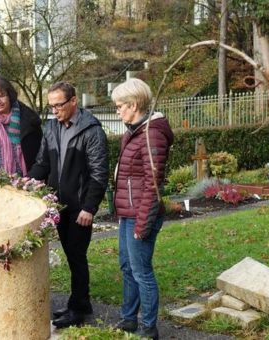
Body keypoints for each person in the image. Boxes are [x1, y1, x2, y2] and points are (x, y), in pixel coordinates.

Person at [28, 81, 109, 328]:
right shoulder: (51, 128)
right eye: (51, 106)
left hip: (79, 208)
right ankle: (79, 303)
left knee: (76, 256)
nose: (54, 110)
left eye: (59, 105)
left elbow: (99, 172)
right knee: (71, 254)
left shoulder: (91, 131)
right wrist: (25, 184)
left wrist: (89, 207)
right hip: (59, 206)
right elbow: (43, 163)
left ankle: (78, 309)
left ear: (73, 101)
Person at [111, 78, 174, 339]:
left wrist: (142, 224)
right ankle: (129, 319)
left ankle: (149, 328)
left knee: (142, 272)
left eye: (119, 106)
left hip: (141, 214)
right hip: (128, 212)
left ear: (134, 105)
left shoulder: (152, 134)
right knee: (127, 267)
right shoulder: (134, 131)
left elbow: (152, 185)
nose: (117, 111)